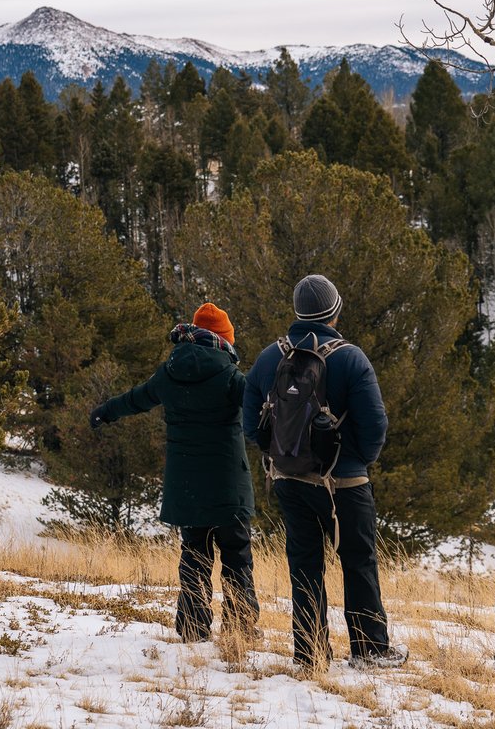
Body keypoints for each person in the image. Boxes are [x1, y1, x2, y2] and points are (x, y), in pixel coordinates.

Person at [242, 274, 406, 670]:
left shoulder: (270, 357)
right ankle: (369, 649)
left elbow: (251, 425)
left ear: (298, 312)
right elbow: (375, 426)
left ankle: (310, 653)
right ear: (334, 311)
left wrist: (282, 455)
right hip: (345, 482)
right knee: (358, 560)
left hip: (289, 479)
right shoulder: (350, 357)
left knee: (304, 564)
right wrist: (356, 463)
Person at [90, 303, 260, 642]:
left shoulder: (169, 373)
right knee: (236, 554)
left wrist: (105, 412)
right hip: (228, 482)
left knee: (195, 552)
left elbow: (135, 399)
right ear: (224, 339)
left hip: (187, 486)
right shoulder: (231, 377)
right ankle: (240, 630)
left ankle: (193, 627)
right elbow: (263, 406)